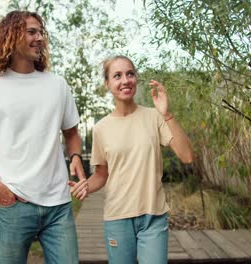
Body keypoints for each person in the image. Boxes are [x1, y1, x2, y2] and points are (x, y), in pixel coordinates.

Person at [0, 10, 86, 264]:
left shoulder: (57, 85)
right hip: (13, 205)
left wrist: (74, 155)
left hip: (58, 207)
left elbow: (72, 133)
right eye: (32, 31)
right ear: (11, 35)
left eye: (41, 32)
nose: (39, 38)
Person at [70, 55, 194, 263]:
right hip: (117, 218)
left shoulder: (154, 117)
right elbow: (102, 174)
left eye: (130, 74)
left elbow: (187, 156)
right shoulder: (101, 129)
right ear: (107, 84)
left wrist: (166, 114)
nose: (125, 80)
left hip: (153, 216)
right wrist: (86, 187)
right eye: (117, 76)